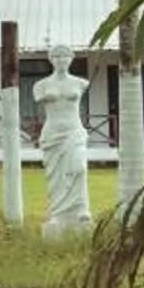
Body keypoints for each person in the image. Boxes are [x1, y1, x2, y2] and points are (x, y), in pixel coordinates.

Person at [33, 43, 94, 239]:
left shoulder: (80, 83)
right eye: (57, 57)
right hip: (53, 134)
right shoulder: (41, 85)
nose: (61, 60)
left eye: (65, 56)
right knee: (57, 177)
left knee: (79, 168)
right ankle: (58, 214)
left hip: (74, 131)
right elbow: (38, 99)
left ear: (71, 59)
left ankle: (82, 210)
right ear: (51, 60)